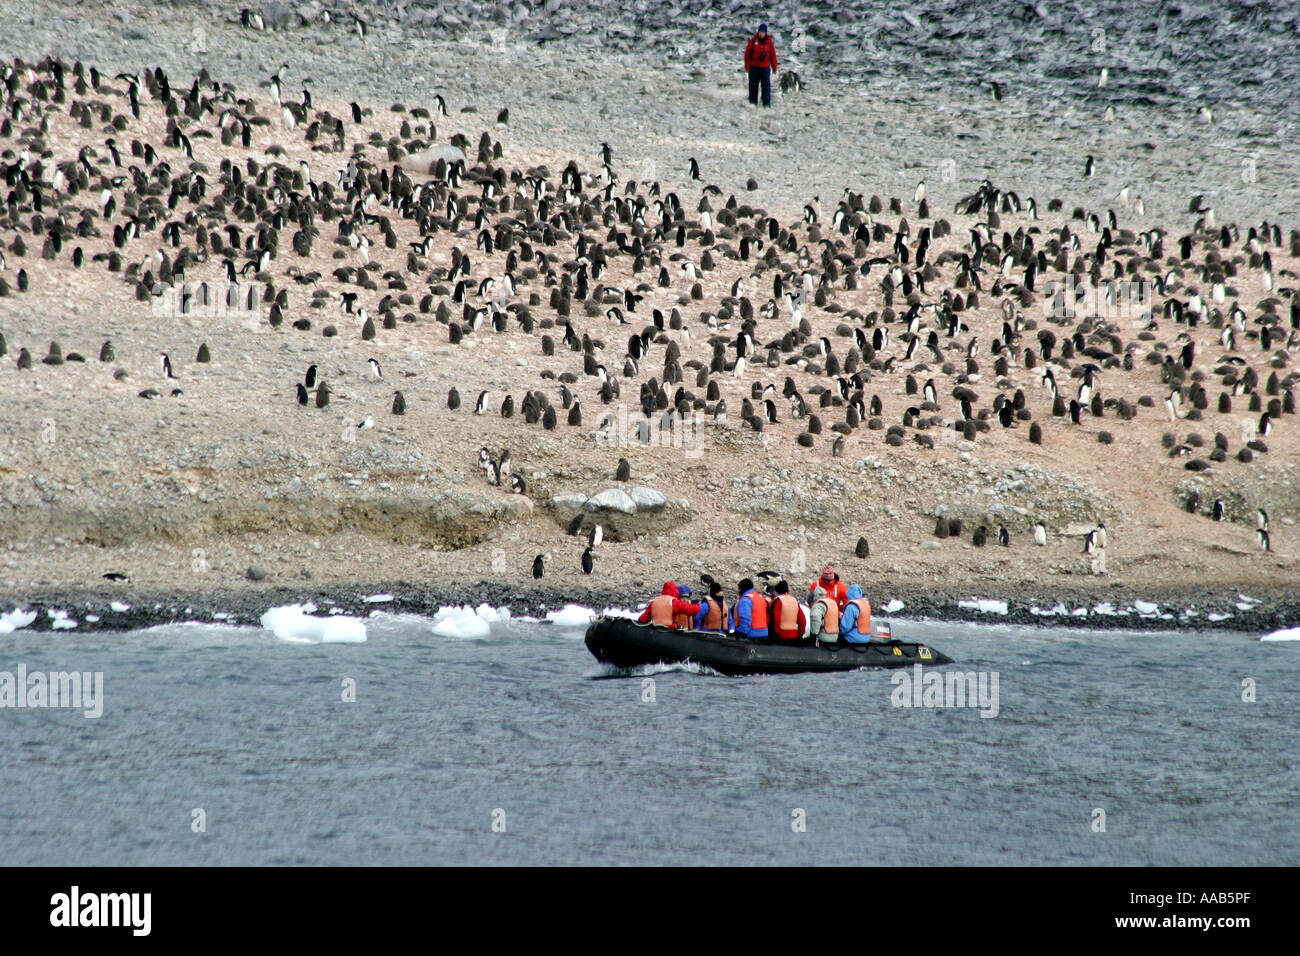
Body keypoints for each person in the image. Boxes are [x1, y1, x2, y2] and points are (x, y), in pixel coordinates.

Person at [744, 23, 777, 108]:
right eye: (760, 32)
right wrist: (747, 66)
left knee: (766, 87)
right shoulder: (753, 41)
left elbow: (773, 55)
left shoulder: (769, 42)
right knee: (753, 86)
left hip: (765, 67)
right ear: (758, 32)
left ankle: (766, 104)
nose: (761, 34)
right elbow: (747, 54)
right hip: (754, 67)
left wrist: (774, 67)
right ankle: (752, 103)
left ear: (765, 33)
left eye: (763, 32)